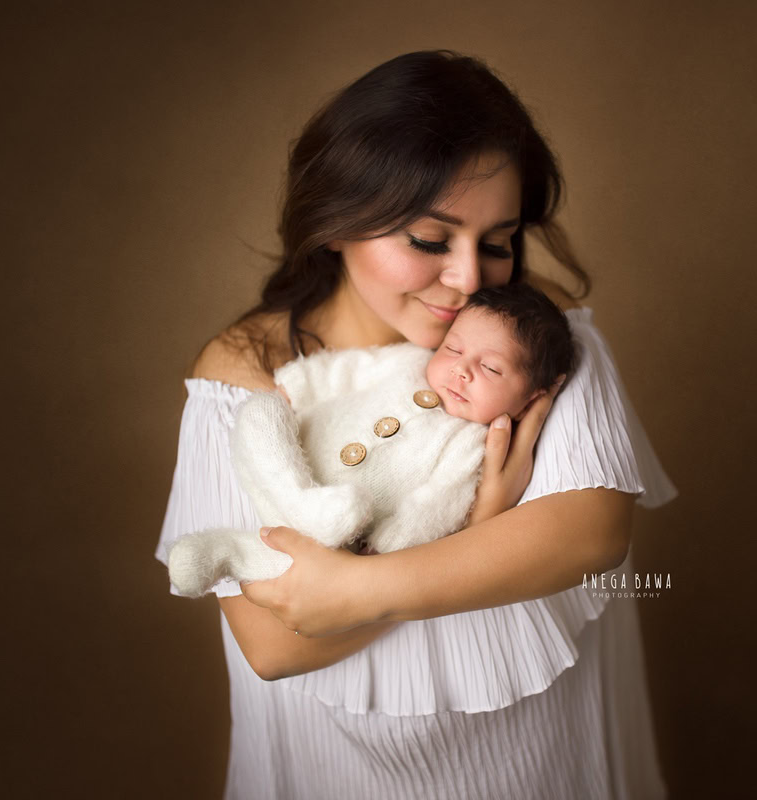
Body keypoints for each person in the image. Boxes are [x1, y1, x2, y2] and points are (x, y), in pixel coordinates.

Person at [155, 50, 678, 799]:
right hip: (330, 769)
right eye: (430, 241)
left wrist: (352, 590)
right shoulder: (244, 369)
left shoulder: (533, 334)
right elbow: (273, 642)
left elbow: (590, 532)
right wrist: (480, 532)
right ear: (336, 223)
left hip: (543, 760)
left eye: (496, 242)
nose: (469, 278)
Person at [166, 283, 577, 594]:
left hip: (343, 528)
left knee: (306, 552)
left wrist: (386, 549)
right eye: (453, 349)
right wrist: (298, 385)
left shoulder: (471, 445)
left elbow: (435, 505)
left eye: (490, 368)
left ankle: (225, 552)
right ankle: (299, 503)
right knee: (260, 411)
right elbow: (349, 369)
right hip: (288, 464)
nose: (461, 370)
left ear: (528, 401)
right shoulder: (411, 361)